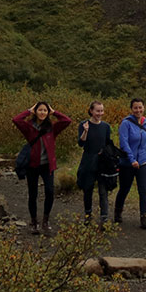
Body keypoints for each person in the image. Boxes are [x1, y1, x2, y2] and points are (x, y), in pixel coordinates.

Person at [13, 101, 72, 235]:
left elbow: (67, 121)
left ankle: (45, 221)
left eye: (45, 110)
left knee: (50, 192)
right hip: (32, 166)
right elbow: (16, 120)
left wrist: (54, 112)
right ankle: (34, 222)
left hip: (47, 166)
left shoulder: (52, 127)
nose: (42, 113)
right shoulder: (28, 127)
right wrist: (29, 110)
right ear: (35, 112)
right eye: (40, 110)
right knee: (33, 194)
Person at [76, 100, 117, 227]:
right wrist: (85, 131)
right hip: (88, 160)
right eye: (97, 111)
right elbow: (81, 143)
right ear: (91, 111)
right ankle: (88, 215)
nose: (100, 113)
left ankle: (104, 218)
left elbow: (107, 143)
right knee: (87, 189)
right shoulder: (84, 124)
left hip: (102, 162)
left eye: (101, 111)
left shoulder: (106, 126)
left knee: (103, 191)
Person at [115, 98, 146, 229]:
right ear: (131, 109)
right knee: (125, 188)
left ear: (144, 107)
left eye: (140, 107)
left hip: (144, 161)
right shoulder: (126, 123)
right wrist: (132, 160)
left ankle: (144, 217)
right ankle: (118, 212)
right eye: (135, 108)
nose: (138, 110)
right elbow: (123, 143)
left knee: (144, 190)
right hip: (127, 163)